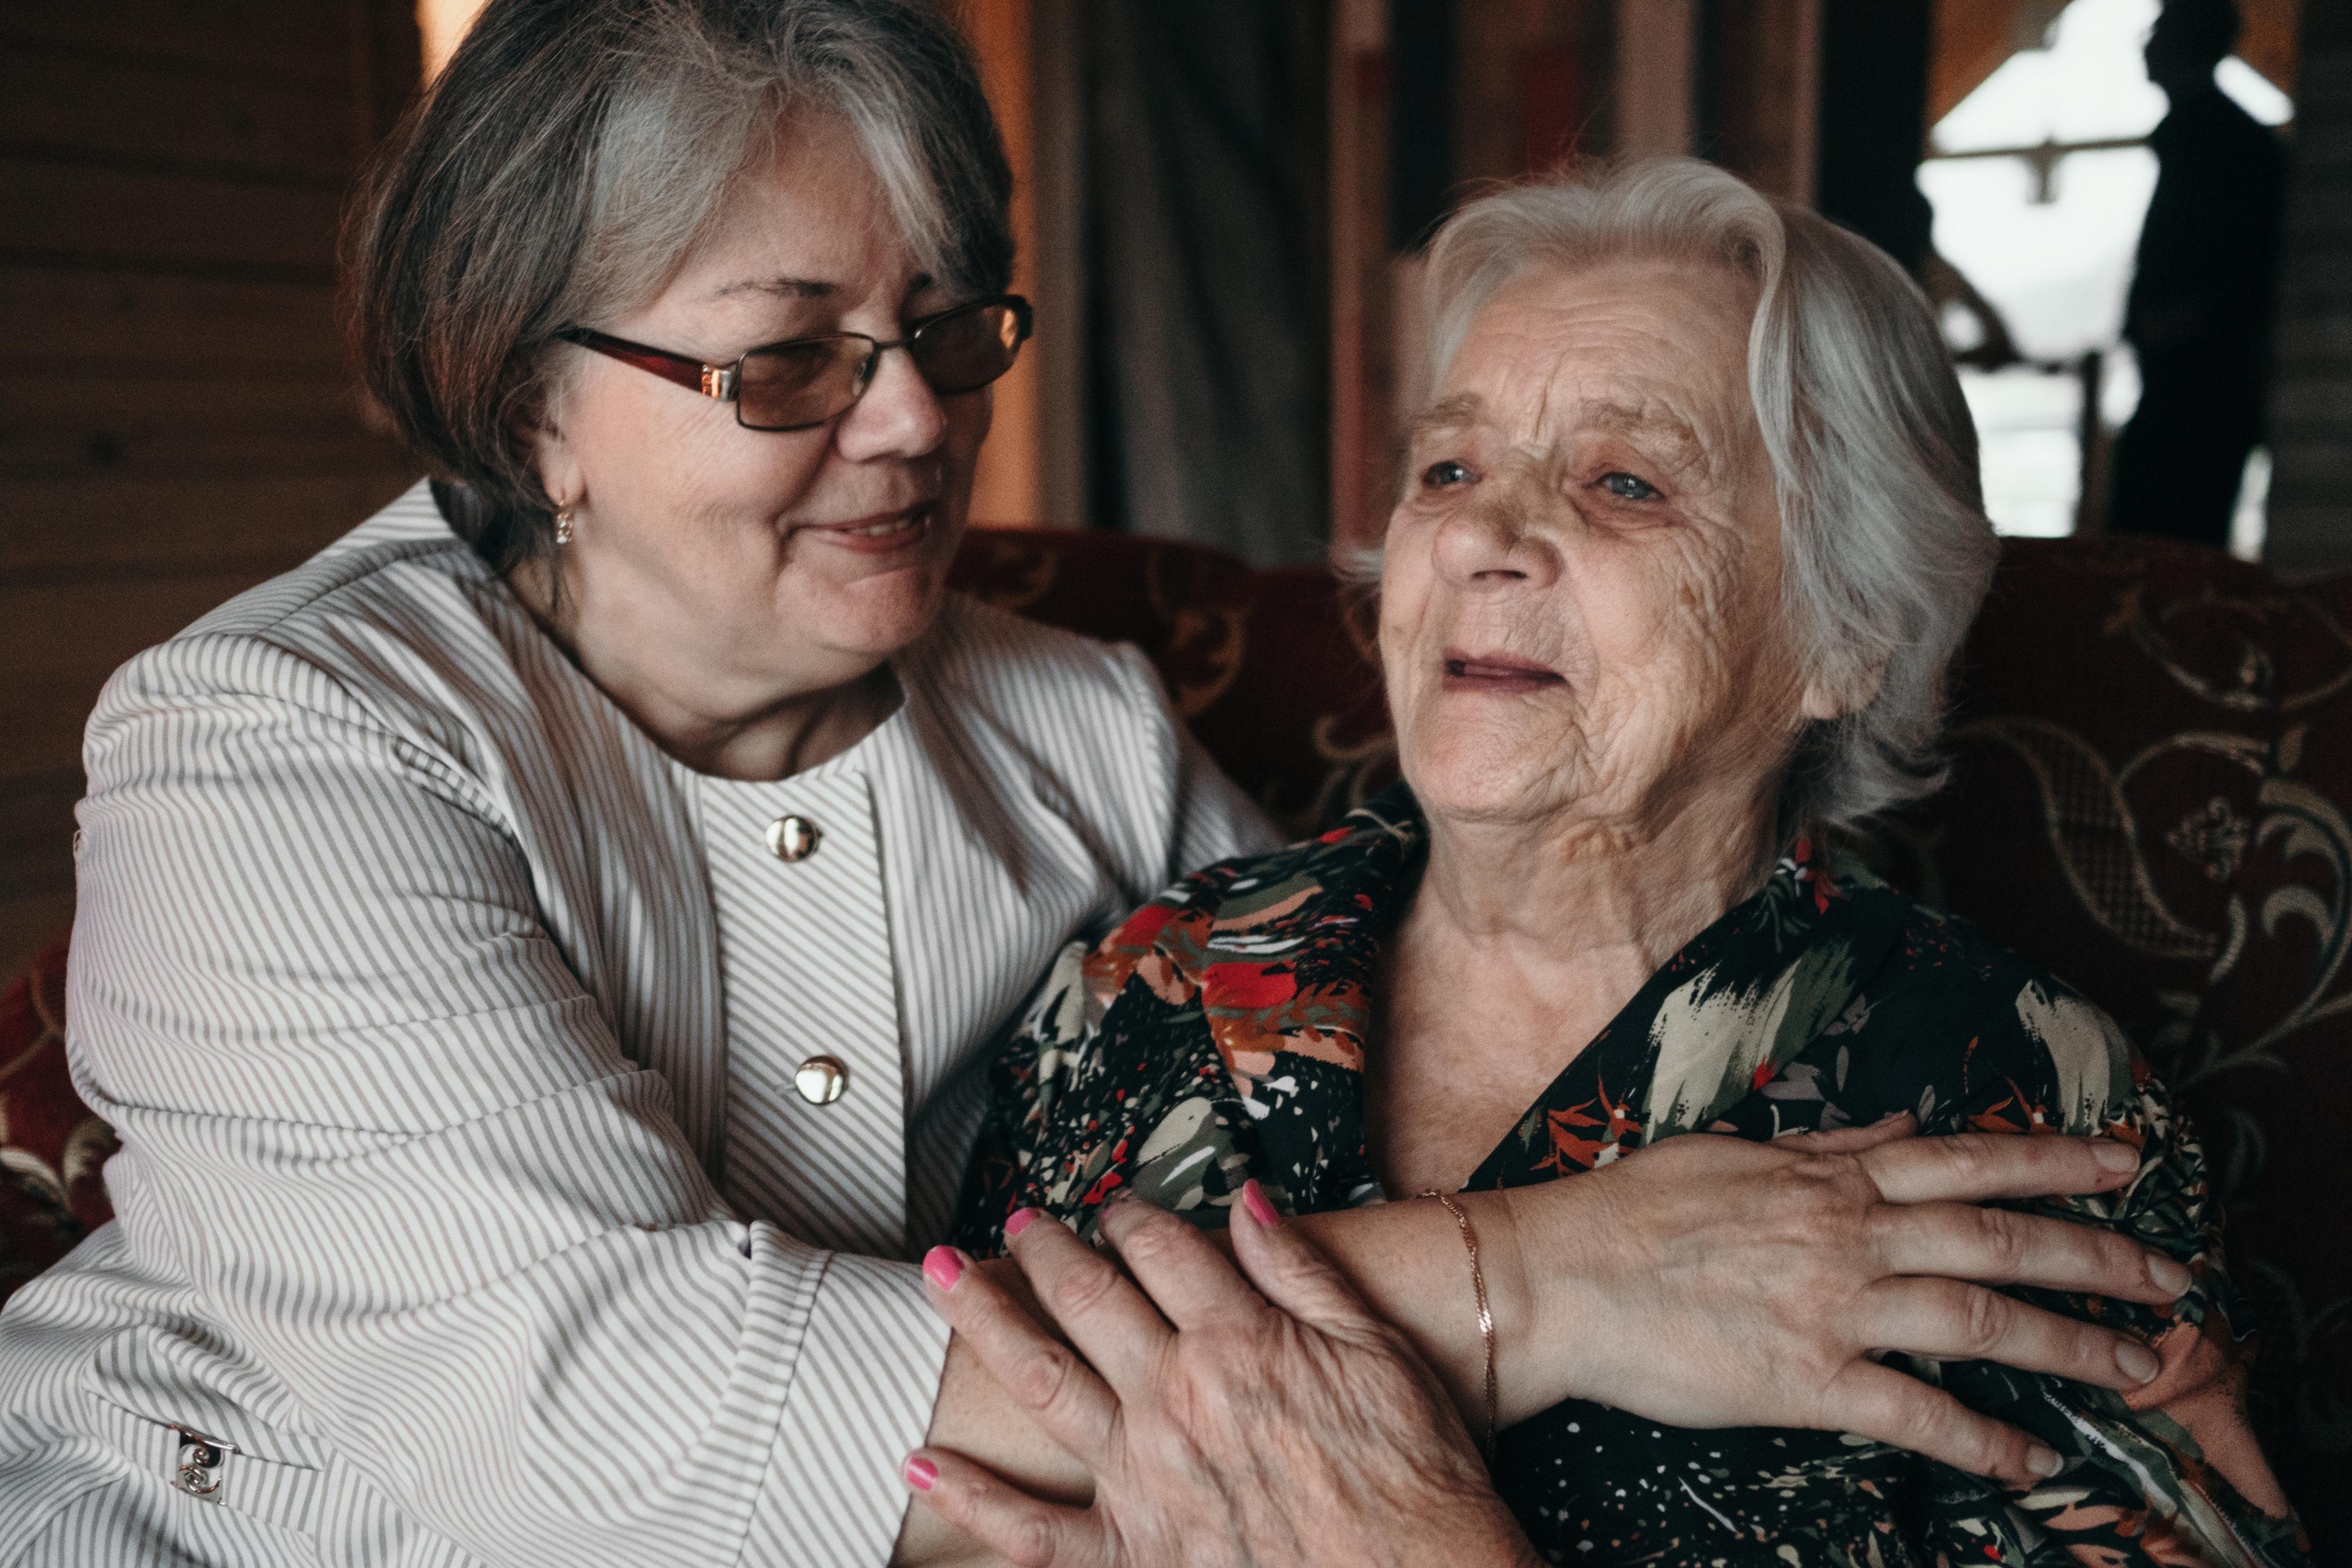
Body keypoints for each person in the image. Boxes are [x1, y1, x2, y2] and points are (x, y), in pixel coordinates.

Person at [0, 6, 2224, 1565]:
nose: (904, 427)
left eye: (946, 331)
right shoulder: (280, 745)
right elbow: (625, 1400)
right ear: (523, 401)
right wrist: (1538, 1285)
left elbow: (1393, 968)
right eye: (787, 358)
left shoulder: (1080, 747)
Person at [928, 160, 2309, 1566]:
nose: (1474, 532)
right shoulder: (1157, 977)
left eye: (1625, 482)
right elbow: (927, 1492)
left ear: (1848, 635)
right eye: (1448, 467)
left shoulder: (2011, 1103)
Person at [2109, 0, 2286, 547]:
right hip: (2197, 386)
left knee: (2162, 549)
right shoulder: (2219, 137)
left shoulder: (2215, 140)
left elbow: (2244, 261)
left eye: (2158, 30)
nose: (2146, 44)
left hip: (2196, 393)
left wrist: (2177, 319)